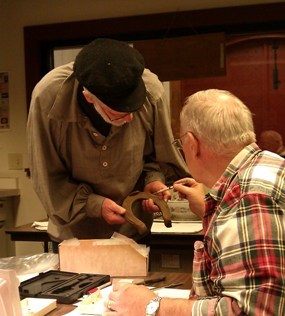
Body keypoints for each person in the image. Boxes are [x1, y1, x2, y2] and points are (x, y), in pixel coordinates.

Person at [106, 89, 285, 315]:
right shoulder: (268, 167)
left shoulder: (250, 199)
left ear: (192, 144)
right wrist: (211, 210)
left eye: (181, 145)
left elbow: (254, 311)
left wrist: (153, 306)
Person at [27, 38, 189, 249]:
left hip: (133, 233)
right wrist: (94, 205)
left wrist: (153, 180)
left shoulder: (151, 92)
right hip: (73, 238)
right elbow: (47, 178)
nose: (130, 119)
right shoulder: (48, 99)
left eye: (134, 110)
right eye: (119, 114)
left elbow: (155, 156)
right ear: (89, 98)